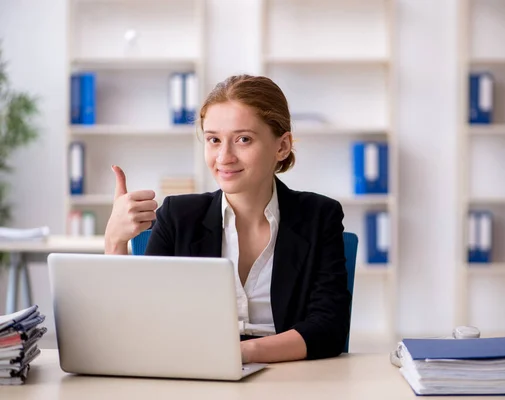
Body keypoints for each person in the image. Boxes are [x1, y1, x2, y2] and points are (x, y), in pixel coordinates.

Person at [104, 74, 351, 364]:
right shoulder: (178, 216)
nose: (224, 157)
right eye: (213, 140)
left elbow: (328, 328)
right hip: (195, 371)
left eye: (243, 139)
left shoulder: (319, 216)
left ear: (282, 147)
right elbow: (137, 322)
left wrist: (241, 353)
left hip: (287, 372)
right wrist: (115, 240)